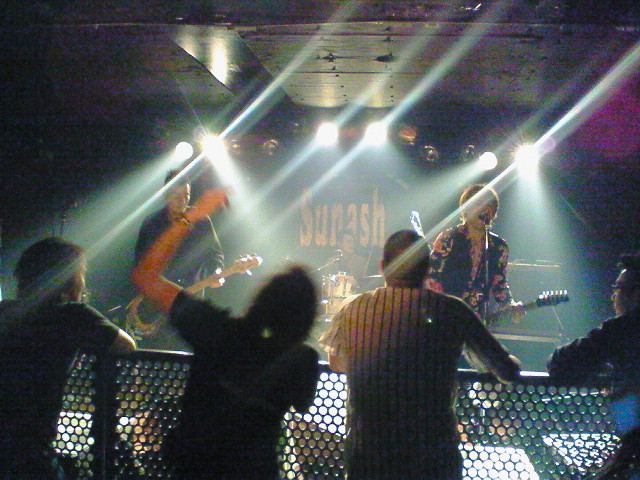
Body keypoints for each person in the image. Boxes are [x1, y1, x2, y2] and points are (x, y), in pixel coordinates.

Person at [131, 188, 320, 480]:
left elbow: (145, 276)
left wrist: (192, 216)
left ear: (261, 298)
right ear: (307, 320)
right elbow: (303, 402)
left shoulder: (216, 329)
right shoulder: (303, 361)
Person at [319, 229, 522, 480]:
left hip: (368, 458)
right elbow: (507, 371)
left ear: (382, 267)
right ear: (428, 270)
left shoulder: (352, 308)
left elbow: (336, 362)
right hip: (433, 460)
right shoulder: (453, 310)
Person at [0, 237, 136, 480]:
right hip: (29, 448)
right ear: (69, 278)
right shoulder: (72, 315)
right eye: (81, 273)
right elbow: (126, 345)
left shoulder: (4, 310)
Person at [547, 253, 640, 480]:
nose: (613, 296)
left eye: (618, 288)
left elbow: (559, 363)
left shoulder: (622, 329)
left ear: (637, 293)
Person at [132, 169, 224, 350]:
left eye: (186, 195)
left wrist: (217, 272)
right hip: (159, 303)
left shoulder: (201, 220)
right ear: (165, 196)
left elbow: (215, 254)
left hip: (190, 299)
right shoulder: (151, 223)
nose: (182, 200)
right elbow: (140, 263)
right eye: (176, 195)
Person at [427, 183, 524, 323]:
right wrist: (444, 306)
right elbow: (432, 276)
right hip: (445, 317)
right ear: (466, 208)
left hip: (477, 320)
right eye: (479, 203)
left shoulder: (499, 247)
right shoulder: (449, 238)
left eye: (489, 205)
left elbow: (499, 283)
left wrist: (509, 305)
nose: (484, 208)